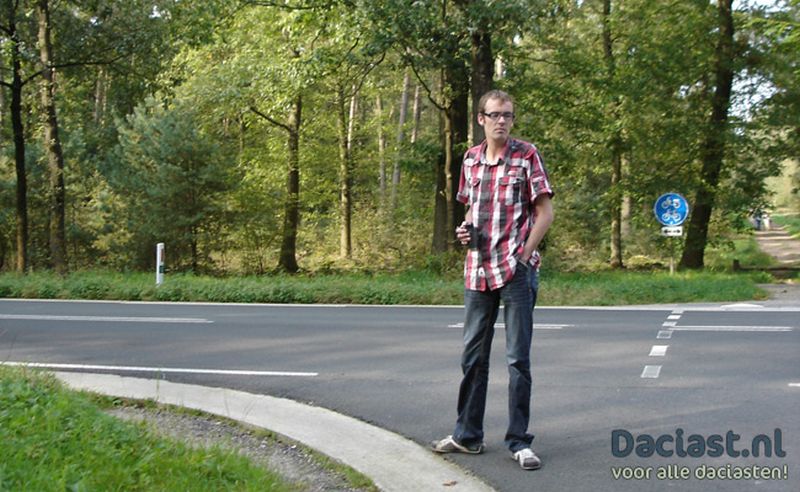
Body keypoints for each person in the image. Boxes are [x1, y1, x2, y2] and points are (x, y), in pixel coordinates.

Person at [431, 90, 554, 470]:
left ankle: (519, 442)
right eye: (496, 114)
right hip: (477, 269)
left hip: (515, 271)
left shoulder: (526, 155)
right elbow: (471, 208)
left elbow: (545, 212)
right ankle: (467, 436)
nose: (502, 121)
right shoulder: (470, 158)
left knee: (517, 360)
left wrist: (523, 256)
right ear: (481, 118)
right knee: (473, 358)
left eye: (508, 115)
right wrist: (465, 229)